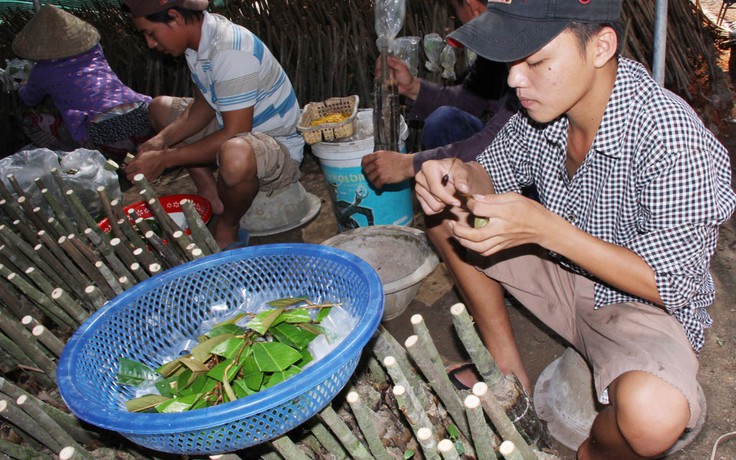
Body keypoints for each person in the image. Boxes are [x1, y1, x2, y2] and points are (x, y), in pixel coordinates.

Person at [415, 0, 736, 458]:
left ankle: (592, 453)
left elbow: (673, 284)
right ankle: (509, 373)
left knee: (654, 416)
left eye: (537, 61)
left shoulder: (670, 136)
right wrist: (460, 177)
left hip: (641, 305)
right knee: (446, 211)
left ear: (602, 46)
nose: (514, 79)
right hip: (565, 272)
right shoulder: (543, 110)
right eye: (512, 61)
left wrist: (548, 231)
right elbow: (490, 174)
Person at [361, 0, 531, 392]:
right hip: (513, 164)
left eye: (456, 12)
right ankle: (480, 262)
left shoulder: (530, 49)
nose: (518, 78)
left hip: (547, 195)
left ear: (471, 7)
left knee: (449, 182)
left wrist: (410, 164)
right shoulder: (502, 51)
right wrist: (413, 87)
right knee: (445, 126)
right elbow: (471, 105)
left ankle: (499, 262)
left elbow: (497, 139)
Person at [121, 0, 304, 249]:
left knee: (235, 156)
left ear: (174, 17)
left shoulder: (230, 50)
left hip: (278, 146)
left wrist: (165, 159)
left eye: (150, 33)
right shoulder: (197, 45)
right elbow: (203, 105)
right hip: (234, 129)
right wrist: (160, 141)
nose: (150, 44)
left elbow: (235, 132)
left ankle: (228, 223)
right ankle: (211, 193)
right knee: (159, 108)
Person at [12, 4, 153, 162]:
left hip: (105, 136)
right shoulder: (95, 51)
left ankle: (75, 158)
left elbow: (29, 98)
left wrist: (22, 85)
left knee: (31, 121)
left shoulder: (42, 71)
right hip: (142, 119)